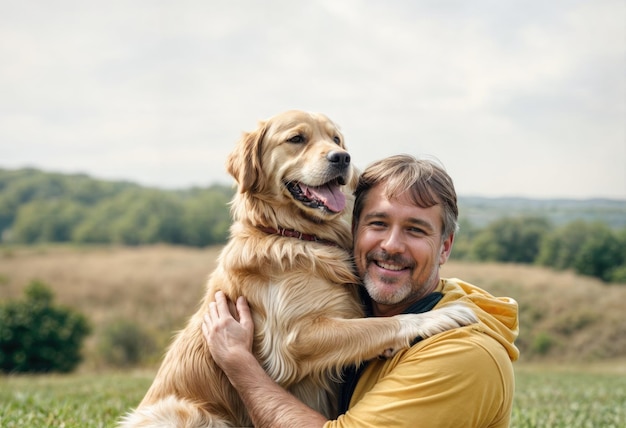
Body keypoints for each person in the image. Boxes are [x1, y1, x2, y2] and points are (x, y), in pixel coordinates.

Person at [203, 154, 519, 427]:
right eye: (378, 224)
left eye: (415, 230)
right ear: (353, 231)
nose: (392, 245)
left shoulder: (463, 355)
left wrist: (239, 364)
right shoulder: (357, 313)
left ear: (445, 248)